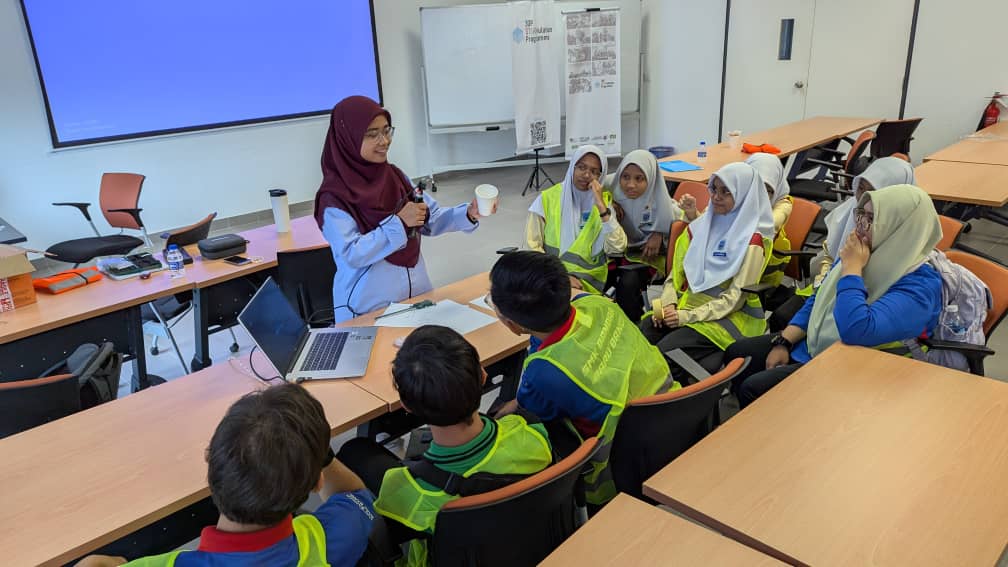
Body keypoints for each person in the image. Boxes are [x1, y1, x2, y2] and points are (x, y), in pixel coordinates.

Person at [77, 384, 375, 566]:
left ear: (209, 461)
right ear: (316, 482)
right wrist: (319, 454)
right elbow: (355, 495)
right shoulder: (330, 538)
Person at [337, 325, 552, 567]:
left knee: (354, 450)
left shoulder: (409, 489)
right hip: (525, 549)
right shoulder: (531, 433)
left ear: (406, 406)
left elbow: (388, 531)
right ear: (483, 376)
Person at [488, 251, 678, 507]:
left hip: (612, 472)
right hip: (669, 415)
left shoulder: (544, 371)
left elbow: (529, 409)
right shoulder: (597, 304)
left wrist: (505, 410)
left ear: (513, 325)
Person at [726, 184, 943, 408]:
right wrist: (784, 341)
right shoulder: (863, 250)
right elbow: (819, 298)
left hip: (860, 366)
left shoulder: (920, 286)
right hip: (817, 343)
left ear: (899, 228)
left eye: (871, 219)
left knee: (754, 388)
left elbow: (857, 330)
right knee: (738, 353)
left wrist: (852, 270)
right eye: (861, 215)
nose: (860, 226)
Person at [314, 96, 493, 322]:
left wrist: (468, 213)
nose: (384, 141)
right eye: (372, 134)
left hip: (416, 299)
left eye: (387, 131)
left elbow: (430, 218)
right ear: (348, 138)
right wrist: (398, 222)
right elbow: (352, 254)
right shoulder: (334, 198)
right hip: (365, 309)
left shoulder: (395, 176)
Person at [640, 162, 775, 379]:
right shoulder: (699, 227)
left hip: (724, 321)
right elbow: (674, 277)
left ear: (744, 196)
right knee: (640, 338)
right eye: (714, 189)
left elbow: (735, 299)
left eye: (726, 192)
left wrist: (685, 316)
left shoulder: (753, 240)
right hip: (684, 310)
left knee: (660, 357)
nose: (716, 197)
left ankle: (675, 397)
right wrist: (666, 305)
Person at [768, 156, 916, 331]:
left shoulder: (905, 237)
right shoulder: (850, 212)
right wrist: (822, 285)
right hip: (829, 285)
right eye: (861, 188)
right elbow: (829, 256)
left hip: (864, 300)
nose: (864, 197)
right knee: (781, 317)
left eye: (874, 191)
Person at [527, 145, 627, 294]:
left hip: (590, 282)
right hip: (550, 279)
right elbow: (532, 247)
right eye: (581, 167)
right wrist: (559, 277)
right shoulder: (547, 199)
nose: (586, 175)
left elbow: (618, 247)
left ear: (601, 176)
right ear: (572, 167)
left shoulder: (604, 203)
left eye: (594, 171)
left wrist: (601, 207)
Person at [605, 149, 682, 320]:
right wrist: (609, 202)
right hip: (619, 251)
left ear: (650, 178)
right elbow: (589, 186)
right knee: (599, 278)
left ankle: (633, 325)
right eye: (625, 177)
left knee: (627, 283)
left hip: (651, 258)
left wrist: (660, 233)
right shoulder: (614, 186)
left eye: (639, 179)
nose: (630, 185)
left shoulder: (662, 201)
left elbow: (683, 224)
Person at [746, 152, 793, 289]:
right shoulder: (738, 194)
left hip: (765, 272)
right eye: (757, 186)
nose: (761, 195)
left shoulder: (783, 204)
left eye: (768, 190)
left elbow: (768, 226)